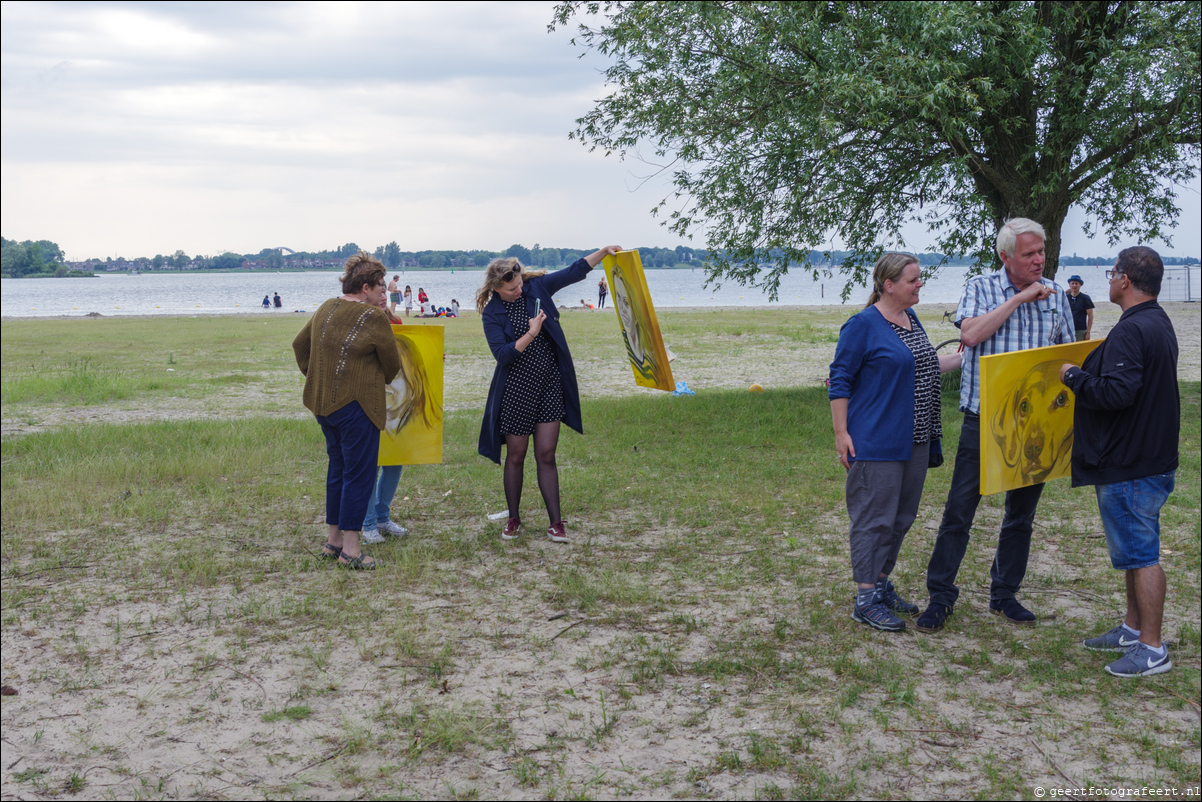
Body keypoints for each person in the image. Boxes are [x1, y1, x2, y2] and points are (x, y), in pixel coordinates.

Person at [917, 218, 1075, 633]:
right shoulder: (980, 287)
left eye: (1041, 252)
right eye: (1029, 254)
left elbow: (1069, 356)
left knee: (1021, 516)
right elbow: (970, 335)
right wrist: (1019, 299)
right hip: (983, 419)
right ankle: (940, 595)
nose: (1039, 259)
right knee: (959, 512)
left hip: (1035, 425)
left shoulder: (1058, 294)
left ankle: (1004, 593)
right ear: (1006, 257)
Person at [1060, 247, 1179, 677]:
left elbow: (1116, 393)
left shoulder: (1133, 330)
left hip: (1132, 462)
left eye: (1112, 273)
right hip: (1148, 456)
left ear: (1125, 279)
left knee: (1142, 553)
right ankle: (1133, 628)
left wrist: (1074, 376)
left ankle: (1152, 648)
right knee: (1132, 550)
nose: (1108, 281)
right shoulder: (1157, 321)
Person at [829, 254, 962, 632]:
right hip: (877, 441)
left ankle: (882, 583)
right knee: (874, 520)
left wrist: (962, 359)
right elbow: (839, 380)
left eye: (920, 279)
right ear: (888, 285)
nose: (920, 285)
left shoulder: (910, 318)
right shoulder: (863, 325)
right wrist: (842, 434)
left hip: (916, 439)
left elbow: (920, 366)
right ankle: (865, 598)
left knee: (902, 518)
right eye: (913, 280)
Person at [477, 245, 622, 543]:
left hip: (548, 385)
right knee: (516, 456)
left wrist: (603, 252)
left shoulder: (536, 286)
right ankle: (513, 518)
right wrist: (531, 332)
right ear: (496, 288)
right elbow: (503, 356)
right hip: (516, 390)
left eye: (519, 285)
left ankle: (556, 523)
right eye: (511, 289)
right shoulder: (492, 313)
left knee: (546, 455)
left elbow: (573, 272)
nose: (518, 291)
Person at [292, 252, 401, 570]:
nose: (384, 291)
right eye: (381, 285)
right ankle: (351, 550)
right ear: (365, 287)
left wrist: (319, 377)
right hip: (358, 408)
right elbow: (391, 367)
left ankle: (333, 541)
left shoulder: (327, 306)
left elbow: (301, 346)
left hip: (323, 406)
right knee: (359, 474)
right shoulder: (374, 318)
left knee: (338, 470)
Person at [361, 282, 409, 545]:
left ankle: (381, 517)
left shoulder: (397, 322)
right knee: (372, 462)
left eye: (384, 290)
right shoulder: (362, 323)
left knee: (394, 460)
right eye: (378, 290)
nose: (382, 295)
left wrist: (431, 355)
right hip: (369, 398)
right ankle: (367, 523)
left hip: (396, 400)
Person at [1066, 275, 1094, 340]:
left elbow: (1090, 316)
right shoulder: (1066, 298)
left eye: (1076, 283)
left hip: (1080, 330)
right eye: (1072, 283)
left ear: (1080, 285)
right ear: (1069, 285)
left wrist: (1088, 332)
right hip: (1067, 329)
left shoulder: (1085, 298)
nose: (1074, 285)